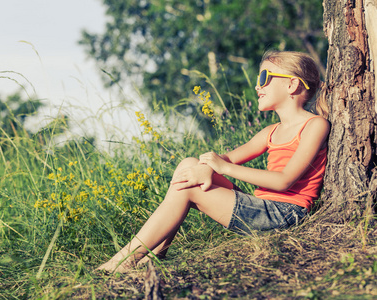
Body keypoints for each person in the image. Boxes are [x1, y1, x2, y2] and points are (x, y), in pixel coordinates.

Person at [97, 50, 330, 272]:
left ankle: (124, 261)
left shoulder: (315, 125)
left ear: (292, 84)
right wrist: (209, 168)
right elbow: (222, 159)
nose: (258, 85)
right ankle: (153, 254)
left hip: (285, 215)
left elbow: (283, 182)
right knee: (189, 164)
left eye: (264, 77)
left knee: (189, 190)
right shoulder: (270, 131)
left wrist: (224, 168)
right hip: (263, 208)